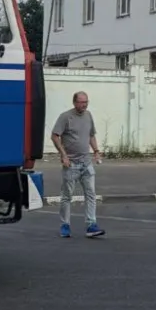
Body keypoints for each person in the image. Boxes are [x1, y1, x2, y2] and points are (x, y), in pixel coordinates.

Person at [51, 91, 105, 238]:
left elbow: (91, 135)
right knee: (67, 196)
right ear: (74, 102)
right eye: (81, 102)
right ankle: (65, 225)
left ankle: (91, 225)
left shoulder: (88, 115)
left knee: (91, 194)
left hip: (86, 162)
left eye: (86, 102)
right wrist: (63, 155)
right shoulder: (66, 117)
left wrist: (96, 151)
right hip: (71, 164)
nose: (84, 105)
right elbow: (55, 136)